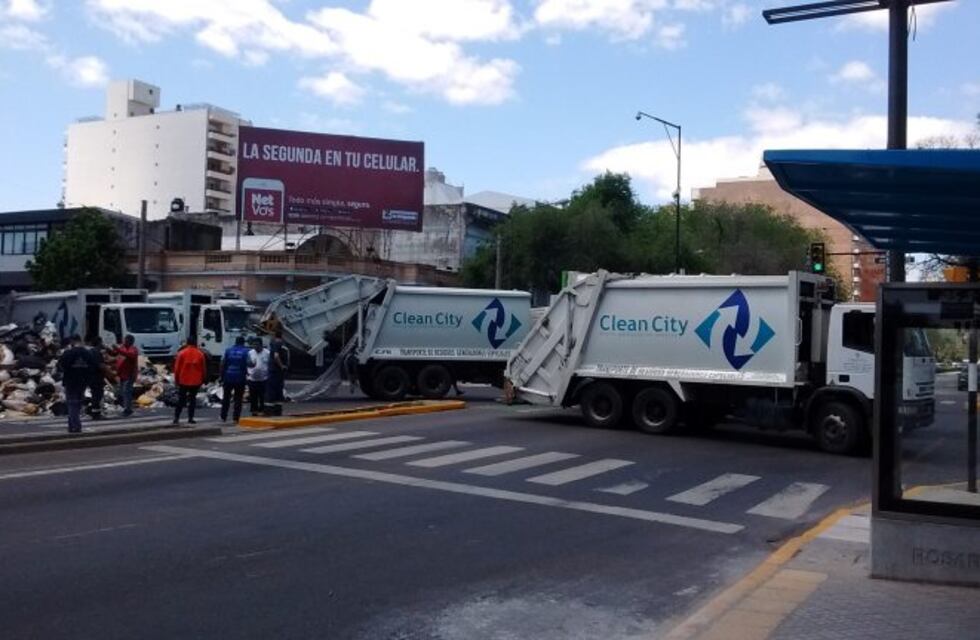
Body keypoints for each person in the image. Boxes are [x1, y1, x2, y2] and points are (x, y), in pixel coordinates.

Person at [58, 335, 98, 433]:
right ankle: (71, 425)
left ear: (72, 341)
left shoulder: (68, 353)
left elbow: (60, 366)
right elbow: (93, 367)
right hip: (83, 381)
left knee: (72, 403)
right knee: (78, 403)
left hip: (71, 381)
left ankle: (75, 425)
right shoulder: (88, 353)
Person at [172, 337, 207, 426]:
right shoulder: (200, 354)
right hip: (196, 381)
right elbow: (203, 369)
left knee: (181, 399)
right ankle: (190, 418)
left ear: (187, 343)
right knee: (192, 400)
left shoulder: (181, 353)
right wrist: (203, 379)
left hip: (183, 380)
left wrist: (176, 380)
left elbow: (177, 369)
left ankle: (176, 417)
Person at [220, 335, 250, 423]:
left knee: (226, 398)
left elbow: (223, 364)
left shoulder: (228, 350)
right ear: (243, 342)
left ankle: (223, 416)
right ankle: (235, 418)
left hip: (228, 376)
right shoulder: (246, 351)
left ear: (235, 342)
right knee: (238, 398)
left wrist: (222, 376)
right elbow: (250, 363)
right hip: (240, 378)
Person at [110, 335, 139, 417]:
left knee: (127, 392)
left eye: (126, 340)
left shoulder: (133, 349)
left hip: (129, 374)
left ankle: (128, 409)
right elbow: (115, 354)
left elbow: (129, 355)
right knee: (123, 391)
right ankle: (125, 407)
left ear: (130, 341)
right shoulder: (122, 347)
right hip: (122, 374)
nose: (124, 342)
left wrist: (118, 349)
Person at [87, 336, 108, 420]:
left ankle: (94, 412)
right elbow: (100, 365)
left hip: (91, 376)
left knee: (95, 394)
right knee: (97, 395)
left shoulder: (90, 352)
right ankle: (96, 414)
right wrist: (109, 371)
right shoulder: (96, 352)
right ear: (99, 342)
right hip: (97, 377)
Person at [247, 339, 270, 416]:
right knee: (253, 396)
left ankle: (262, 409)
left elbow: (270, 364)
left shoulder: (267, 353)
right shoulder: (250, 353)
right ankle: (254, 411)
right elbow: (247, 363)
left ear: (261, 345)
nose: (255, 346)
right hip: (252, 379)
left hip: (263, 379)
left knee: (262, 396)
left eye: (257, 344)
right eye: (254, 344)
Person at [266, 330, 288, 404]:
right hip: (278, 368)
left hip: (274, 368)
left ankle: (272, 399)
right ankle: (278, 399)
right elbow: (279, 355)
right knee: (278, 384)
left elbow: (276, 356)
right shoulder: (282, 343)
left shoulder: (275, 342)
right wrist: (282, 366)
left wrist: (281, 366)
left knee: (272, 384)